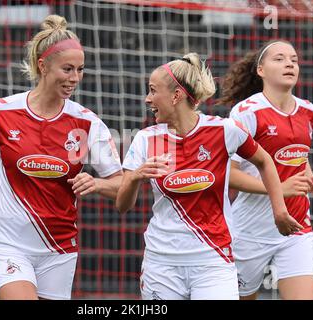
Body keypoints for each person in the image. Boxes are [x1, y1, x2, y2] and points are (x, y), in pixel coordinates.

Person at [0, 14, 122, 300]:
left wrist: (97, 184)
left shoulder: (87, 122)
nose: (75, 78)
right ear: (43, 66)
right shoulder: (0, 112)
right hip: (9, 244)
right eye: (67, 69)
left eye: (80, 69)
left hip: (60, 248)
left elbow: (121, 184)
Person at [116, 53, 302, 300]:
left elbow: (264, 160)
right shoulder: (146, 139)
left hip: (213, 259)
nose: (147, 98)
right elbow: (122, 206)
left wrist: (279, 211)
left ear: (176, 95)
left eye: (152, 90)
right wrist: (133, 178)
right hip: (161, 264)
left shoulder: (223, 130)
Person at [218, 39, 313, 300]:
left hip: (296, 226)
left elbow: (298, 158)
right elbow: (229, 175)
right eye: (279, 59)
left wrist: (312, 181)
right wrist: (279, 188)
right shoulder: (246, 112)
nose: (289, 63)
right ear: (261, 70)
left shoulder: (308, 111)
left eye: (294, 59)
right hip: (250, 231)